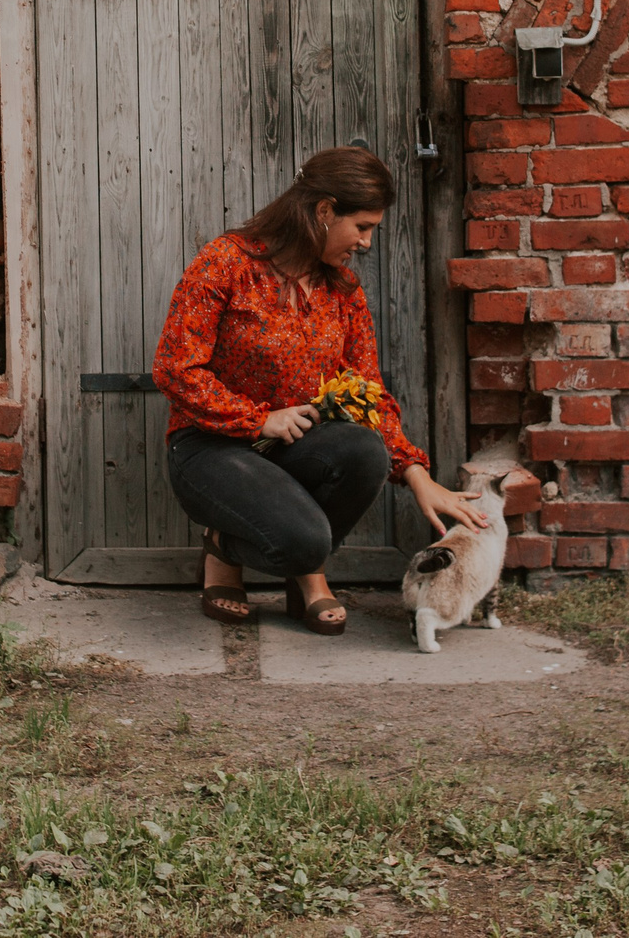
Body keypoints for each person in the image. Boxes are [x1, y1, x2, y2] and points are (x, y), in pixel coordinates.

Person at [151, 146, 495, 634]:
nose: (367, 242)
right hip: (212, 446)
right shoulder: (226, 262)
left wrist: (414, 472)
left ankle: (297, 560)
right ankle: (230, 551)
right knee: (306, 543)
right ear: (324, 211)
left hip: (294, 446)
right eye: (363, 226)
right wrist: (257, 419)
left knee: (365, 451)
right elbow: (175, 368)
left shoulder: (343, 292)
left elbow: (368, 391)